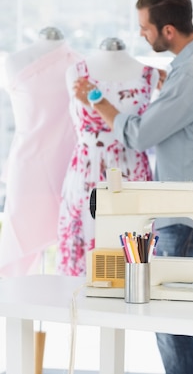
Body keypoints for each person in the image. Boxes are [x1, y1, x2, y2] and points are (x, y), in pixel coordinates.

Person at [72, 0, 193, 374]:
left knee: (169, 321)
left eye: (145, 27)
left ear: (168, 30)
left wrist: (97, 99)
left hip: (183, 216)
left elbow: (140, 134)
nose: (141, 34)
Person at [57, 37, 158, 276]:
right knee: (83, 267)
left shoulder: (149, 75)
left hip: (132, 176)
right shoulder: (76, 72)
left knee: (132, 265)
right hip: (86, 176)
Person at [0, 27, 81, 276]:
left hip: (70, 171)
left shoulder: (80, 64)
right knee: (20, 247)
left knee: (69, 251)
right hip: (29, 169)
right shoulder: (14, 62)